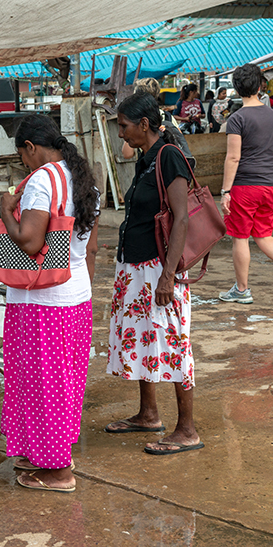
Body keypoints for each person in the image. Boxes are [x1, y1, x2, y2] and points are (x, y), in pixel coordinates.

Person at [0, 114, 100, 492]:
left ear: (31, 147)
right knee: (62, 384)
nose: (23, 163)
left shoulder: (43, 179)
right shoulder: (81, 176)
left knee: (44, 386)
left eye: (21, 155)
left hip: (43, 301)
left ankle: (58, 472)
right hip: (75, 296)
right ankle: (47, 453)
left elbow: (29, 242)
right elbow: (88, 247)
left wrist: (8, 210)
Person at [105, 91, 202, 456]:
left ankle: (187, 429)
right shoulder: (147, 158)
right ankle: (148, 414)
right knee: (143, 338)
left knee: (174, 343)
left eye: (124, 125)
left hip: (158, 271)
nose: (121, 133)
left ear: (144, 124)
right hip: (136, 268)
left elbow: (181, 220)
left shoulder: (170, 157)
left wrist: (167, 277)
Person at [218, 64, 273, 305]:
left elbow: (233, 158)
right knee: (264, 234)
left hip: (246, 187)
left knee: (240, 237)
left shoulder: (237, 119)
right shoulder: (272, 116)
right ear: (260, 86)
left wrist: (225, 191)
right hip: (271, 186)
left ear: (236, 89)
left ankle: (242, 290)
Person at [122, 78, 193, 162]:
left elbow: (127, 154)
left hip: (151, 169)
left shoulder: (136, 120)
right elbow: (180, 141)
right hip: (168, 165)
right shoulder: (167, 116)